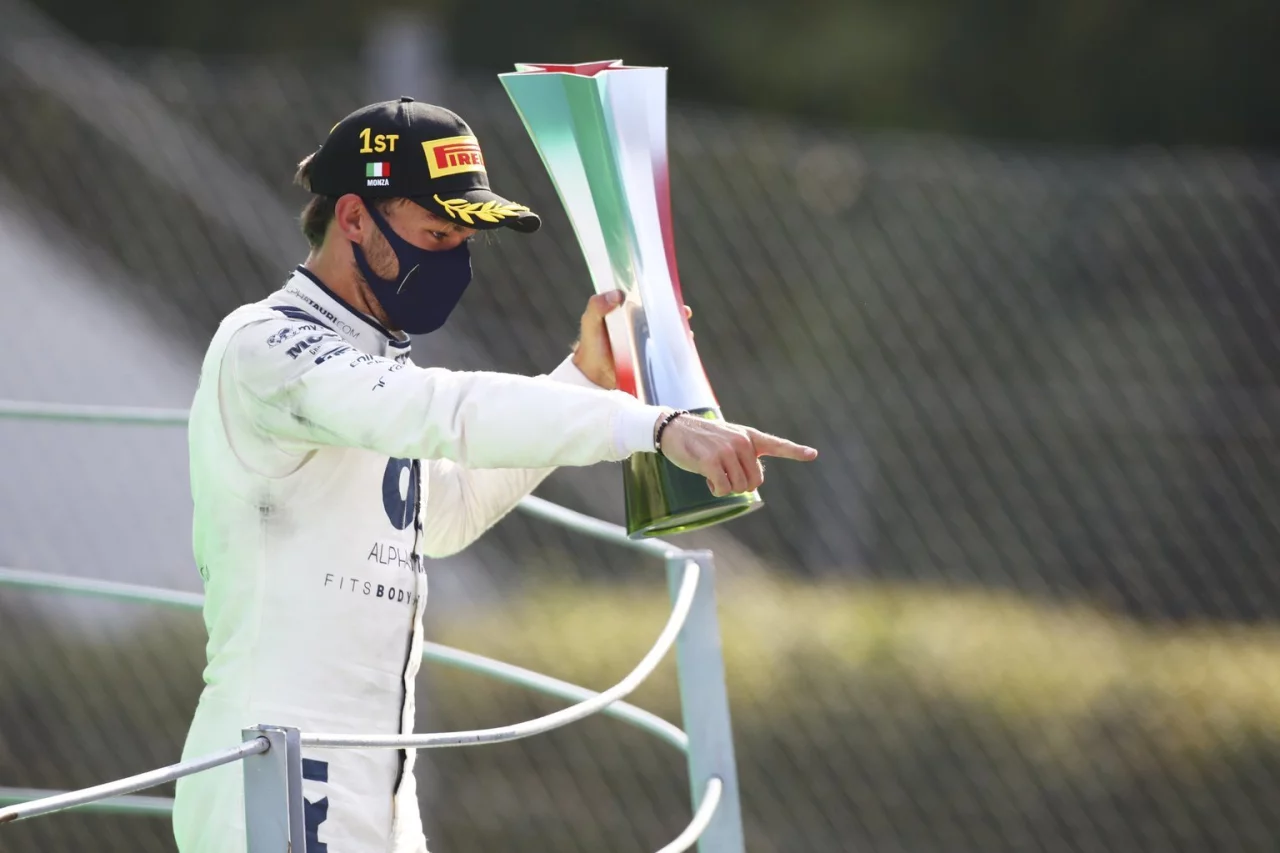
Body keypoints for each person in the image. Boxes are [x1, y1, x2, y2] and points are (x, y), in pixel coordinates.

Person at [172, 97, 817, 853]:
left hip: (380, 778)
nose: (454, 259)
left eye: (464, 240)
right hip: (273, 773)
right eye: (436, 234)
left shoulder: (374, 363)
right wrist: (653, 426)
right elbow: (446, 410)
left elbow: (443, 515)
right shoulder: (266, 345)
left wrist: (583, 378)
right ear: (352, 218)